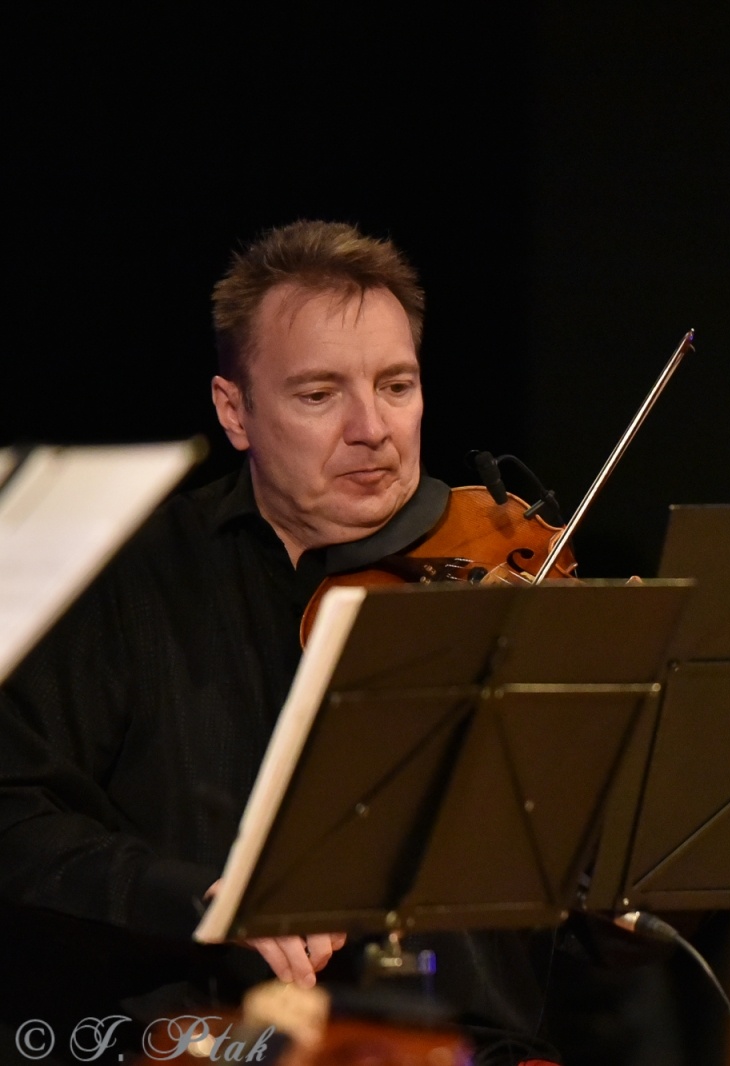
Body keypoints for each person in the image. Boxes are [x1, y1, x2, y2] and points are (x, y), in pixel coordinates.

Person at [0, 221, 562, 1065]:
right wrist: (205, 899)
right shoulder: (128, 578)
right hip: (200, 1039)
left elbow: (586, 921)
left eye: (397, 385)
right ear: (236, 411)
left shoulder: (502, 581)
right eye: (318, 395)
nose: (372, 428)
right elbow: (14, 813)